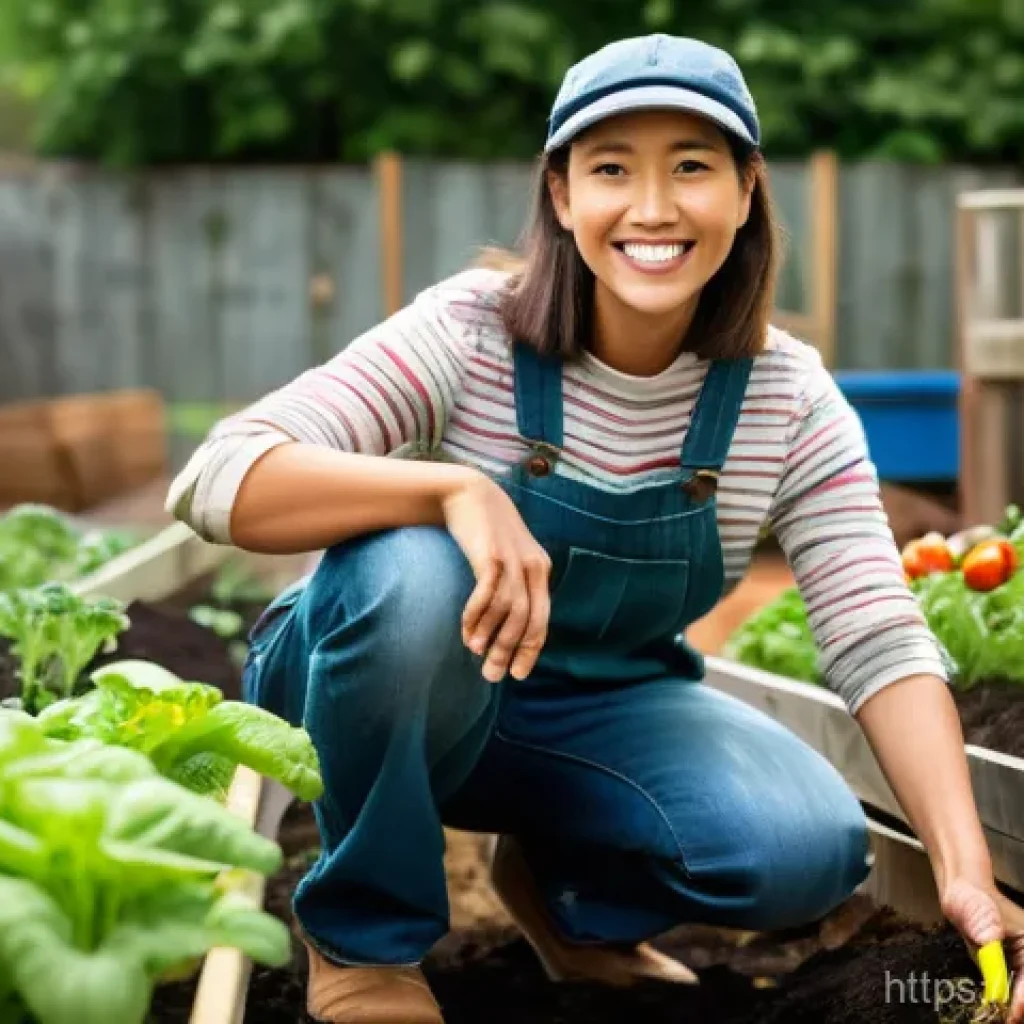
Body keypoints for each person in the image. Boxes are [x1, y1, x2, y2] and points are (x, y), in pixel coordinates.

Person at [167, 33, 1024, 1024]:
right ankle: (363, 941)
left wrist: (963, 869)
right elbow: (217, 475)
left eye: (691, 167)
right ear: (562, 195)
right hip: (372, 682)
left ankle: (571, 906)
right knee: (411, 575)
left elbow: (877, 635)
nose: (652, 208)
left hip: (584, 713)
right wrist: (451, 494)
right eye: (612, 168)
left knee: (805, 843)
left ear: (746, 192)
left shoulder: (784, 401)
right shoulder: (468, 334)